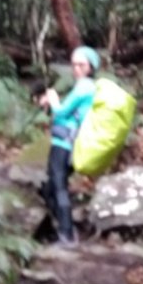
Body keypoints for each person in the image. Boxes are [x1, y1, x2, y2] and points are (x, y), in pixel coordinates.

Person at [38, 46, 99, 244]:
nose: (76, 69)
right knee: (50, 188)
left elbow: (62, 112)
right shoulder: (87, 87)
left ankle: (66, 234)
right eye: (74, 64)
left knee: (59, 186)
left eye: (82, 64)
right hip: (67, 143)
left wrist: (54, 100)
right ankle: (62, 226)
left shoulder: (84, 87)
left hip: (64, 144)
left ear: (91, 67)